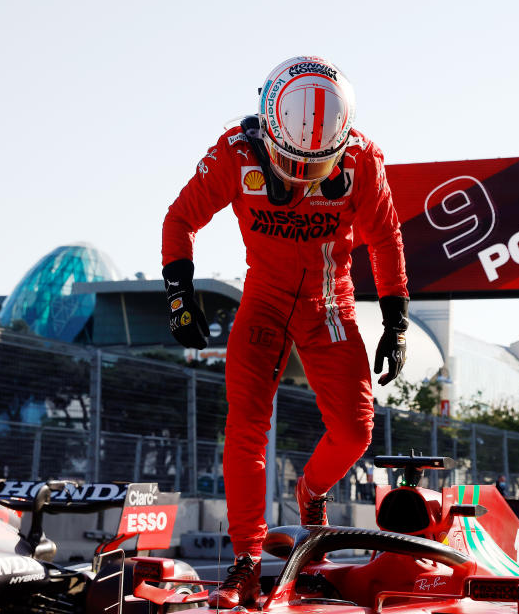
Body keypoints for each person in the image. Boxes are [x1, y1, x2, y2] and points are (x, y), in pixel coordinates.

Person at [162, 56, 409, 607]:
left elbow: (386, 238)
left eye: (314, 166)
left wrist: (396, 321)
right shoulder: (234, 152)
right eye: (289, 159)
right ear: (266, 127)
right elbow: (178, 220)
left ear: (340, 144)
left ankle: (311, 493)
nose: (299, 175)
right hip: (265, 301)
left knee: (355, 432)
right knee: (245, 424)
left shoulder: (363, 159)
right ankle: (246, 560)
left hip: (329, 303)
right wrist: (180, 296)